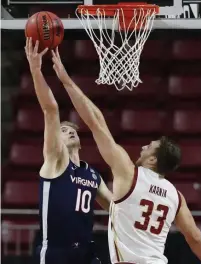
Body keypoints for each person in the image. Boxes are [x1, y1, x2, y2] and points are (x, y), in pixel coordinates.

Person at [51, 46, 201, 264]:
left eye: (149, 147)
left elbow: (95, 122)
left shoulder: (128, 172)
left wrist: (67, 82)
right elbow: (195, 237)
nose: (142, 148)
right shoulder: (175, 196)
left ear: (154, 159)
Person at [25, 37, 112, 264]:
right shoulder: (55, 160)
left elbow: (114, 208)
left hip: (86, 252)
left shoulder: (92, 174)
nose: (70, 131)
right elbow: (50, 109)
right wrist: (36, 69)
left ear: (81, 143)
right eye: (63, 131)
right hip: (57, 253)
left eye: (72, 130)